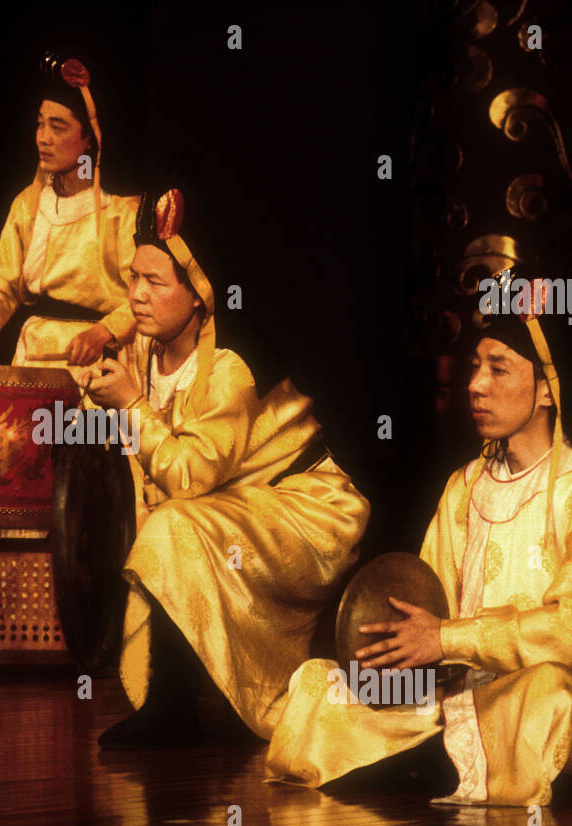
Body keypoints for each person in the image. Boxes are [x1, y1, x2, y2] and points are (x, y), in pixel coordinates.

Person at [265, 273, 572, 805]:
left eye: (499, 369)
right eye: (475, 366)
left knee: (547, 692)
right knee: (319, 684)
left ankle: (419, 764)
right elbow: (431, 608)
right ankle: (434, 759)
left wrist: (448, 639)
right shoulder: (463, 486)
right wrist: (393, 654)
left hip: (567, 693)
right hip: (461, 690)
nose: (476, 384)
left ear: (548, 386)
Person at [79, 186, 370, 747]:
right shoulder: (149, 346)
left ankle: (174, 706)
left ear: (198, 296)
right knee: (171, 525)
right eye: (133, 279)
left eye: (154, 282)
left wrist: (131, 409)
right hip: (240, 502)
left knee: (174, 525)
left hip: (305, 509)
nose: (136, 296)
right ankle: (177, 703)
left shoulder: (229, 367)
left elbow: (189, 476)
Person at [0, 51, 139, 370]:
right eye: (39, 125)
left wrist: (104, 332)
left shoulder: (122, 212)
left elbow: (145, 299)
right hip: (34, 357)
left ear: (88, 138)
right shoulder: (28, 204)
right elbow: (2, 281)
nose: (43, 138)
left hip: (102, 359)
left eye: (58, 127)